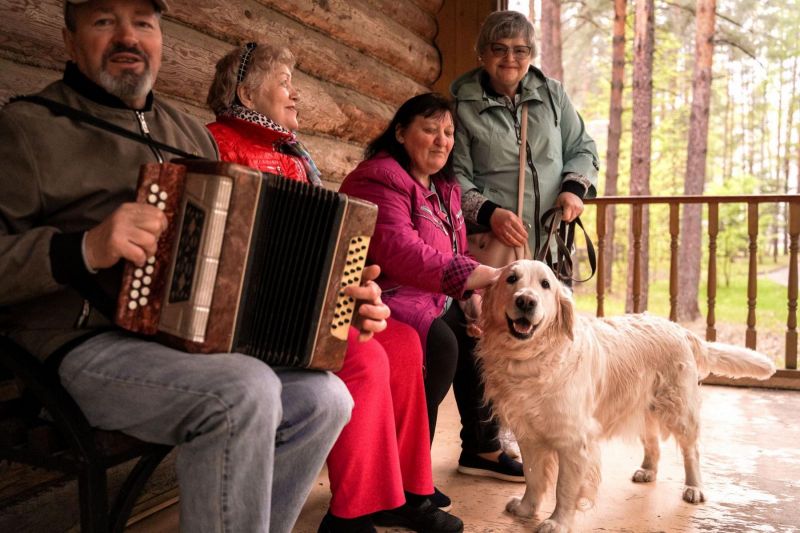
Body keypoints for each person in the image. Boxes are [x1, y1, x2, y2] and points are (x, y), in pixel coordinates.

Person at [0, 1, 372, 531]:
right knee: (243, 391)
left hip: (181, 342)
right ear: (69, 40)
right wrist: (83, 248)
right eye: (104, 20)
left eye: (143, 23)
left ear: (160, 39)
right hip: (77, 345)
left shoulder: (186, 133)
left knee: (325, 399)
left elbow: (240, 258)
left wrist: (332, 300)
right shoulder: (28, 129)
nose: (128, 37)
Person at [206, 43, 463, 533]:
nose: (295, 94)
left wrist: (344, 277)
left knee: (402, 344)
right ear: (246, 94)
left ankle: (406, 492)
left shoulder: (293, 157)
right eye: (284, 83)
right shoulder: (215, 146)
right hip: (245, 319)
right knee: (365, 358)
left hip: (301, 311)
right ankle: (351, 515)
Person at [338, 92, 526, 509]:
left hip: (430, 295)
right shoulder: (378, 179)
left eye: (449, 132)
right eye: (430, 129)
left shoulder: (444, 187)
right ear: (400, 133)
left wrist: (471, 297)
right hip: (383, 296)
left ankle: (480, 447)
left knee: (480, 334)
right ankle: (404, 476)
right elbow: (400, 252)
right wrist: (477, 276)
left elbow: (454, 249)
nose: (443, 140)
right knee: (442, 345)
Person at [451, 10, 599, 262]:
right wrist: (490, 213)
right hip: (499, 248)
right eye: (499, 49)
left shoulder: (553, 94)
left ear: (531, 55)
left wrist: (573, 190)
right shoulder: (462, 107)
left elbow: (582, 148)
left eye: (520, 50)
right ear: (482, 53)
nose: (510, 58)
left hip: (552, 245)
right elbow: (455, 175)